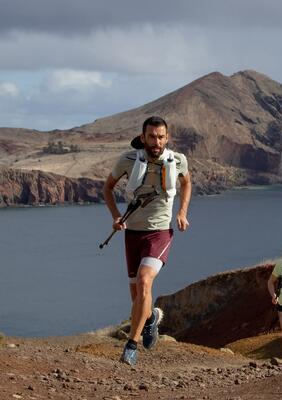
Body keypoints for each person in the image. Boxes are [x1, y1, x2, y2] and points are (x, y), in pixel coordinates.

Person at [103, 116, 191, 366]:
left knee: (144, 280)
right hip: (133, 233)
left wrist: (182, 212)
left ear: (167, 137)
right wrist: (116, 217)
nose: (157, 141)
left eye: (161, 136)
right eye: (152, 136)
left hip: (160, 232)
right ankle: (151, 318)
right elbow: (107, 188)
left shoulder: (178, 160)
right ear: (143, 138)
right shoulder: (128, 160)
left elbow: (187, 183)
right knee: (138, 298)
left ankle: (132, 344)